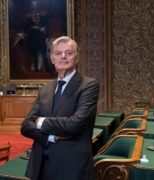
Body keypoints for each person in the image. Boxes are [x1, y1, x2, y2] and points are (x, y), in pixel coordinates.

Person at [20, 36, 100, 180]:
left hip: (71, 167)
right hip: (39, 167)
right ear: (52, 59)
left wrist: (41, 122)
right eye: (58, 53)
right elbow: (25, 126)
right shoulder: (45, 89)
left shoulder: (88, 86)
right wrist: (50, 137)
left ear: (76, 58)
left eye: (68, 53)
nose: (63, 57)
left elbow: (74, 124)